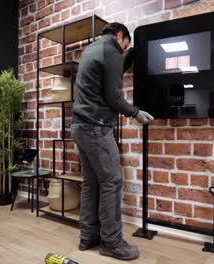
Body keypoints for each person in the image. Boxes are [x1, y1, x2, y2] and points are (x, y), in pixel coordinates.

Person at [71, 22, 154, 261]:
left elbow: (111, 73)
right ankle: (111, 242)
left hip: (79, 125)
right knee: (112, 182)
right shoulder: (112, 51)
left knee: (92, 183)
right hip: (96, 127)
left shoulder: (93, 49)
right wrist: (136, 113)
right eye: (125, 46)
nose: (124, 52)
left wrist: (131, 55)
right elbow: (114, 97)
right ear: (120, 36)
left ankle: (88, 237)